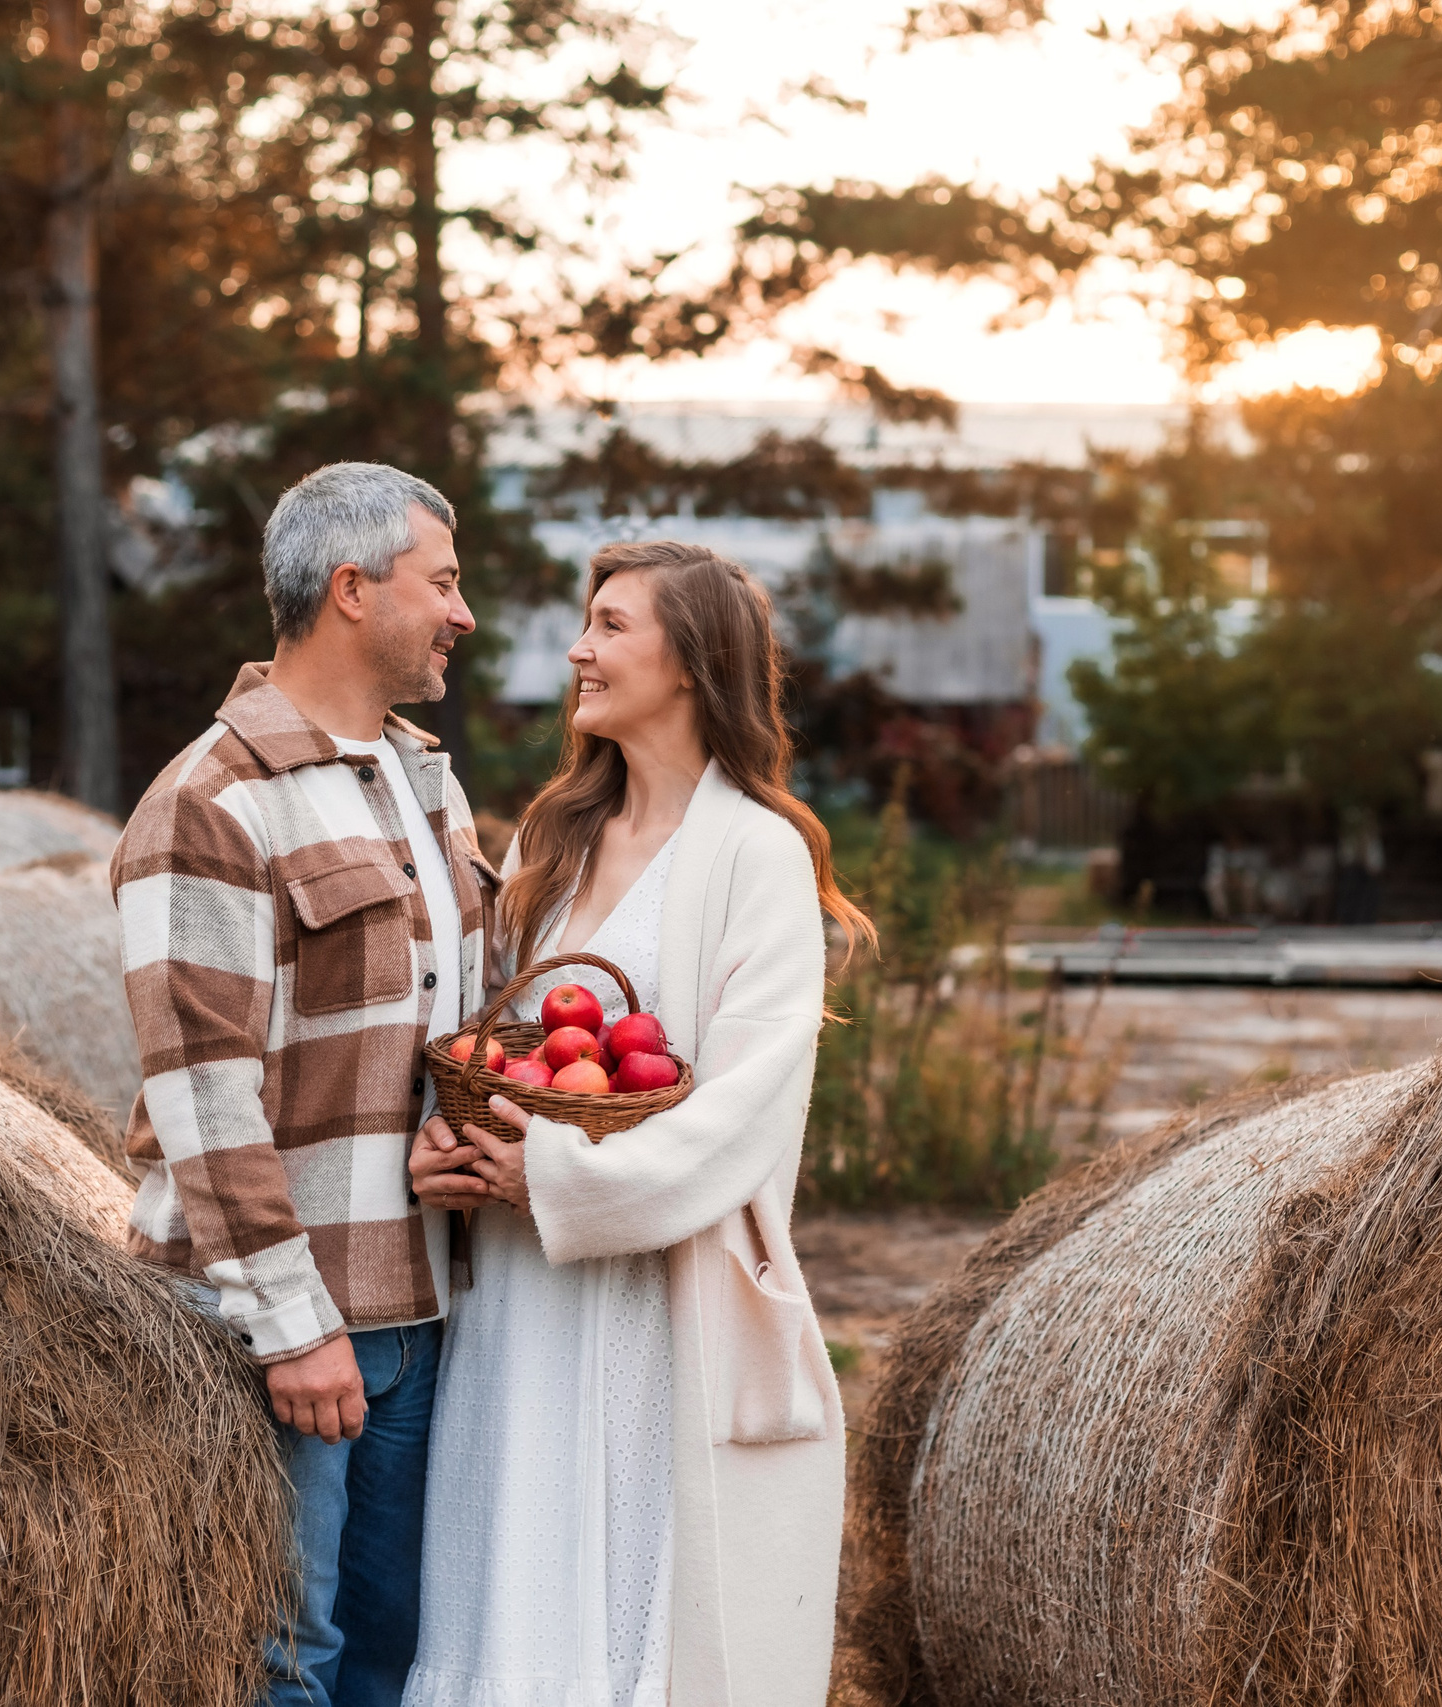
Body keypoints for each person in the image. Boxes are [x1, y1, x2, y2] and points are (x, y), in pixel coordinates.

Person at [403, 541, 873, 1707]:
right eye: (587, 623)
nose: (578, 650)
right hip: (518, 1289)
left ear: (692, 660)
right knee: (506, 1570)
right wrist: (449, 1142)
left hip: (656, 1295)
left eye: (611, 626)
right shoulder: (547, 842)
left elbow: (748, 1109)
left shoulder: (758, 853)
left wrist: (548, 1175)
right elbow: (488, 1043)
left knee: (632, 1599)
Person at [112, 461, 492, 1707]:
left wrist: (453, 1133)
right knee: (281, 1665)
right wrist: (294, 1328)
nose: (462, 614)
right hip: (277, 1329)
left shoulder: (424, 778)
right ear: (350, 590)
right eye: (441, 582)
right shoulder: (210, 806)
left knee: (389, 1655)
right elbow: (203, 1098)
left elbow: (444, 1026)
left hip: (416, 1304)